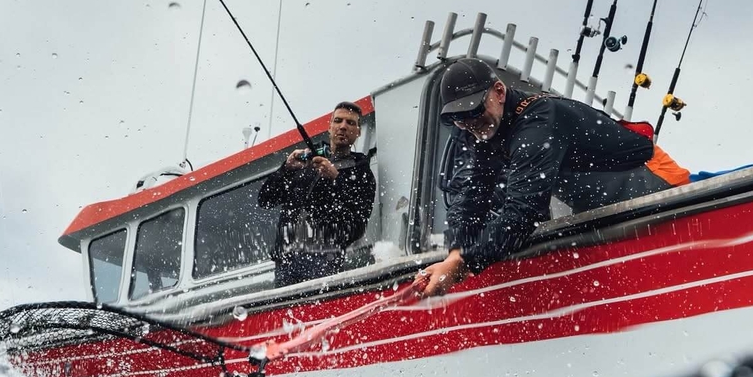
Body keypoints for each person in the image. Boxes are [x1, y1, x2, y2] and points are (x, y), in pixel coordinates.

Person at [415, 58, 686, 299]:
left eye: (474, 111)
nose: (471, 125)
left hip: (652, 181)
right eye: (459, 120)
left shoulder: (538, 122)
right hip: (603, 209)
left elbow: (524, 212)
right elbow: (474, 193)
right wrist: (455, 252)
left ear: (498, 92)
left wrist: (465, 263)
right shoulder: (488, 132)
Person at [258, 101, 376, 287]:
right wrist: (286, 169)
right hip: (286, 261)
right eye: (338, 121)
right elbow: (265, 199)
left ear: (358, 132)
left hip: (325, 259)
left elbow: (358, 226)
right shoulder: (305, 160)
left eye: (350, 123)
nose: (343, 127)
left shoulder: (361, 173)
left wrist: (336, 180)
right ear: (329, 127)